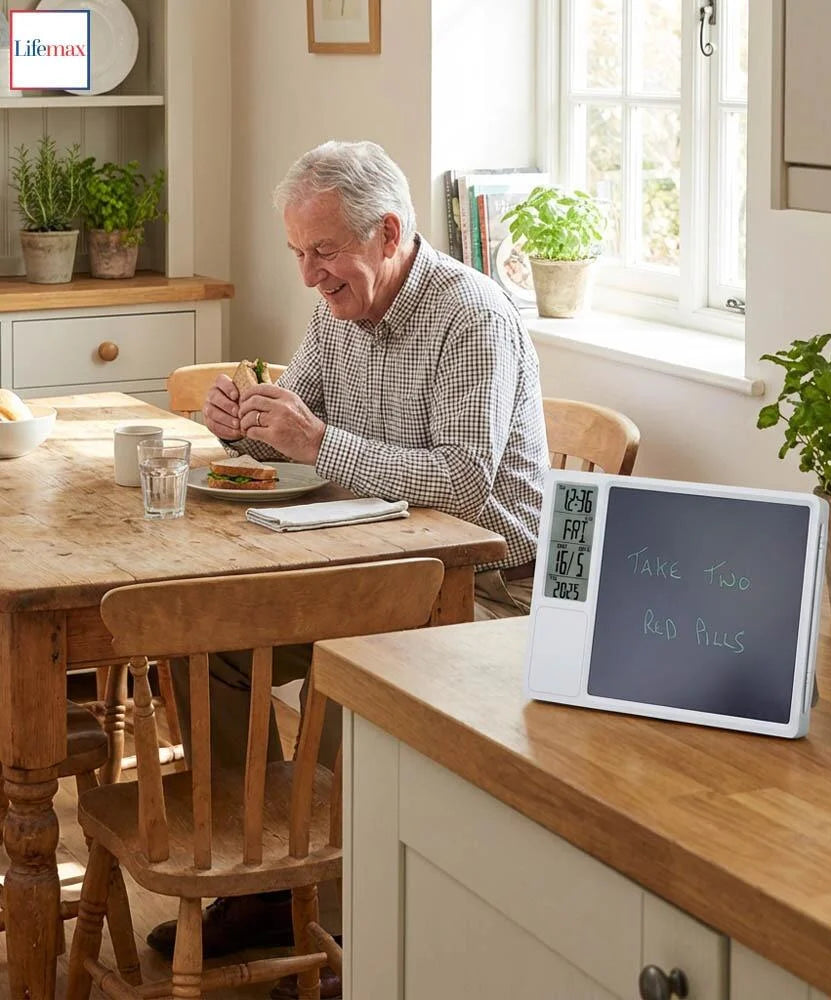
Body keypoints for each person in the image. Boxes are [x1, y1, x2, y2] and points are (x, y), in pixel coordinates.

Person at [147, 140, 548, 999]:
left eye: (322, 251)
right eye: (298, 252)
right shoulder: (337, 309)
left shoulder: (471, 315)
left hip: (485, 588)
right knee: (210, 649)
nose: (308, 276)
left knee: (349, 672)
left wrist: (317, 441)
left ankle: (345, 923)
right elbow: (296, 434)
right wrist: (243, 424)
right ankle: (262, 889)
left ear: (388, 233)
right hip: (372, 564)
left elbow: (467, 486)